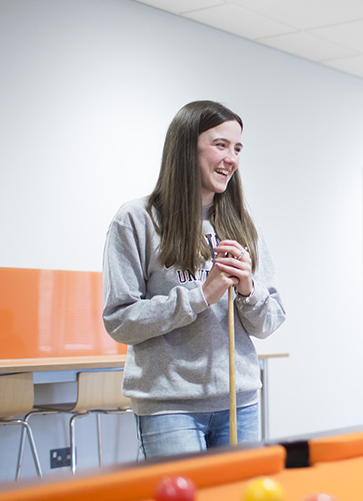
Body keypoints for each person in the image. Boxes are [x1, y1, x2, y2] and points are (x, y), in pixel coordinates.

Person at [103, 100, 286, 457]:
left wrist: (248, 289)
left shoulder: (242, 225)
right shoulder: (136, 221)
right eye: (220, 145)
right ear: (187, 147)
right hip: (170, 407)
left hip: (240, 402)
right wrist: (200, 296)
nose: (231, 158)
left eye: (237, 148)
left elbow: (270, 321)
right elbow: (120, 321)